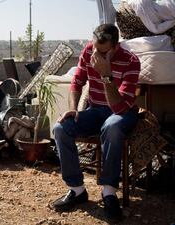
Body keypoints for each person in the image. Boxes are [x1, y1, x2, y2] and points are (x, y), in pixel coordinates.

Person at [50, 23, 140, 222]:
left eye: (102, 51)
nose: (96, 54)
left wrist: (106, 75)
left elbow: (118, 108)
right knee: (61, 128)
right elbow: (77, 81)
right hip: (95, 110)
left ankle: (108, 192)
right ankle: (77, 189)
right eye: (94, 48)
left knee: (112, 127)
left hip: (122, 112)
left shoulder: (131, 61)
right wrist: (73, 108)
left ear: (115, 47)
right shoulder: (89, 51)